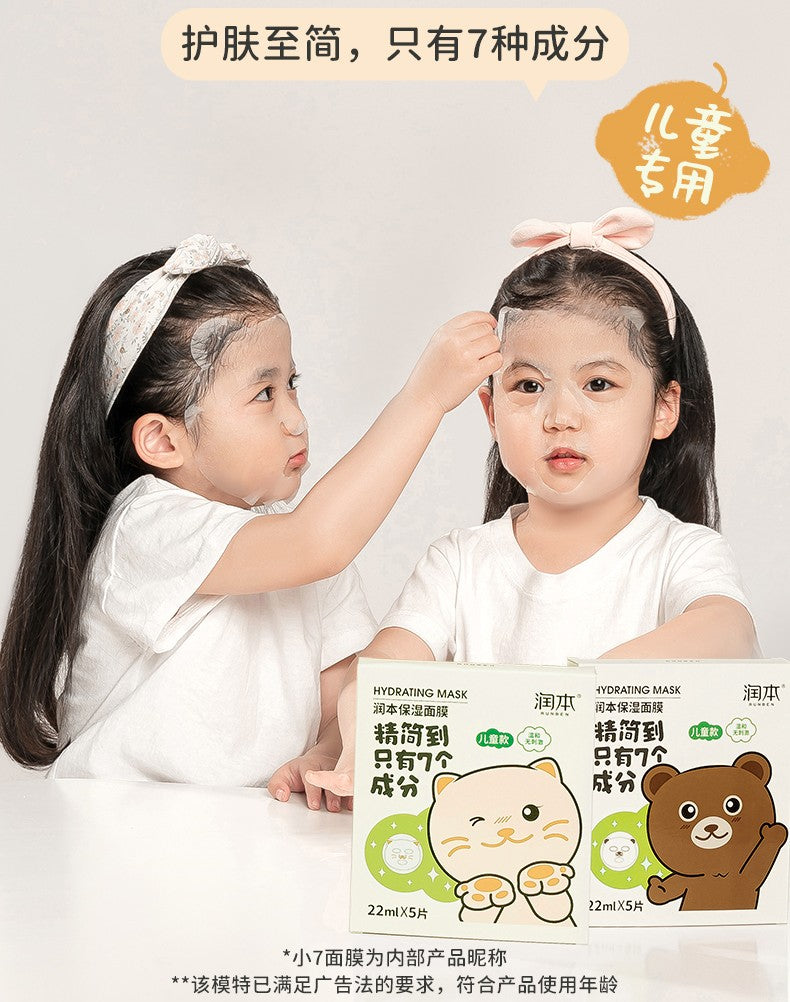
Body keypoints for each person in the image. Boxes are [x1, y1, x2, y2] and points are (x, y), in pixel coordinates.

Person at [0, 233, 501, 805]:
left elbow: (339, 698)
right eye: (264, 393)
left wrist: (326, 754)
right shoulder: (146, 528)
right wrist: (425, 398)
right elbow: (316, 541)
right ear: (163, 440)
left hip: (250, 831)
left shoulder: (302, 554)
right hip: (119, 824)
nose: (296, 419)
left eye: (292, 384)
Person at [306, 207, 759, 799]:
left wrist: (574, 694)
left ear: (664, 408)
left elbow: (729, 633)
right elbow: (385, 670)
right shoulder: (458, 564)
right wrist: (350, 734)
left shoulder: (682, 553)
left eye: (599, 384)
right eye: (528, 386)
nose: (561, 416)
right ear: (491, 411)